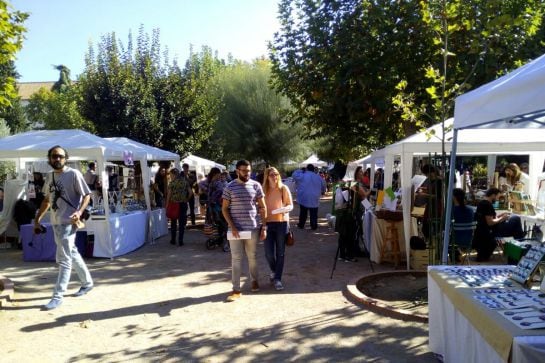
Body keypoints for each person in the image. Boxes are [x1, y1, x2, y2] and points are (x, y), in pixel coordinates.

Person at [33, 145, 93, 310]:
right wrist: (37, 219)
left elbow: (87, 195)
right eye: (54, 156)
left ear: (65, 158)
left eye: (60, 156)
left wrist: (79, 212)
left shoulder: (73, 174)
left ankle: (57, 296)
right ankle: (87, 283)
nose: (57, 159)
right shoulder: (50, 175)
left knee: (64, 259)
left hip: (68, 222)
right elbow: (47, 200)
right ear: (49, 158)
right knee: (71, 253)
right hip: (55, 222)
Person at [222, 160, 267, 302]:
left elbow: (263, 207)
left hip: (252, 228)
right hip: (235, 230)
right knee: (236, 259)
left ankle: (254, 280)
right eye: (244, 171)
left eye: (249, 171)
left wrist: (264, 226)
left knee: (252, 257)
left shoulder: (256, 185)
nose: (247, 173)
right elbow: (224, 209)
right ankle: (236, 289)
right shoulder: (229, 187)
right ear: (237, 171)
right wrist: (232, 226)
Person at [262, 166, 293, 291]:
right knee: (268, 253)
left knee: (280, 253)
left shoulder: (283, 188)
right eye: (272, 175)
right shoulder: (263, 189)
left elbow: (290, 205)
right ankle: (275, 272)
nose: (274, 177)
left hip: (281, 223)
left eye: (276, 174)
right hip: (267, 224)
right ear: (267, 177)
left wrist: (283, 209)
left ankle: (278, 279)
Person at [474, 187, 524, 261]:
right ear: (493, 195)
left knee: (515, 225)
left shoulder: (482, 203)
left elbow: (488, 219)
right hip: (491, 231)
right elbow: (490, 222)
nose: (497, 199)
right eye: (497, 197)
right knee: (516, 220)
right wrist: (502, 218)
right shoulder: (487, 205)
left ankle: (520, 244)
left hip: (486, 230)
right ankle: (521, 246)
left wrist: (500, 216)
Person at [292, 164, 326, 230]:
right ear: (314, 169)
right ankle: (313, 225)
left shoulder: (302, 175)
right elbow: (324, 184)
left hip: (304, 197)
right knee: (314, 212)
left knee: (303, 212)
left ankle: (301, 224)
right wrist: (323, 191)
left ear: (306, 169)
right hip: (314, 197)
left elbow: (294, 174)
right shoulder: (318, 177)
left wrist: (301, 170)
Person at [166, 168, 193, 246]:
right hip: (183, 204)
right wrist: (186, 199)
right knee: (181, 223)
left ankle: (173, 240)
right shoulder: (185, 182)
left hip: (174, 204)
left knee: (173, 223)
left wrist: (167, 205)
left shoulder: (172, 183)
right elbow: (191, 193)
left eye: (171, 175)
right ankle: (180, 240)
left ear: (174, 175)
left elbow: (169, 195)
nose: (170, 176)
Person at [451, 188, 474, 262]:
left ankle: (454, 257)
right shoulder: (470, 210)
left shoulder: (451, 211)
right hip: (469, 239)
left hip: (454, 240)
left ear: (454, 197)